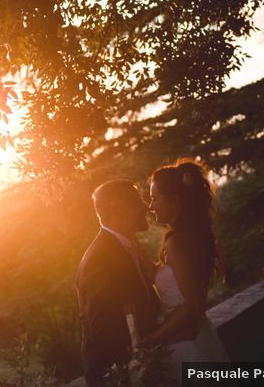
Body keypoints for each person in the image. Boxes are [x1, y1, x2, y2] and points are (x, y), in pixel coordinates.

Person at [139, 160, 230, 377]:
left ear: (174, 201)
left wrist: (152, 339)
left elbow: (194, 303)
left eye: (154, 198)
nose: (151, 206)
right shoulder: (191, 236)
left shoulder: (177, 242)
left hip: (187, 345)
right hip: (199, 335)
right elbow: (174, 278)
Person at [76, 180, 160, 387]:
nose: (146, 206)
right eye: (137, 201)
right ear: (117, 208)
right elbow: (104, 331)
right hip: (118, 374)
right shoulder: (98, 260)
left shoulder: (126, 246)